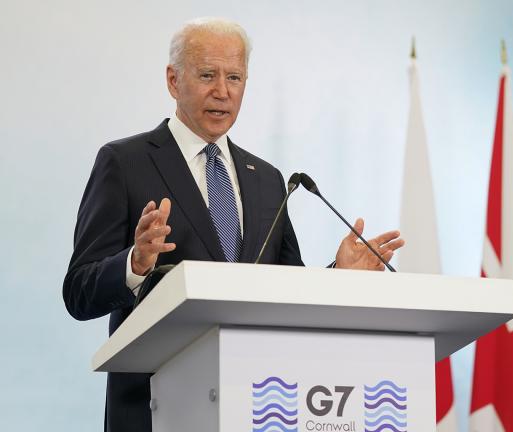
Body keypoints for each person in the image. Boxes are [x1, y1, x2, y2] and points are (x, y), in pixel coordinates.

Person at [62, 17, 404, 432]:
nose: (222, 91)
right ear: (173, 81)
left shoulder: (267, 179)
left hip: (259, 407)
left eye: (235, 77)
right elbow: (79, 291)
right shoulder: (125, 163)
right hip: (156, 409)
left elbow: (287, 291)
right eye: (207, 74)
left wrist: (339, 275)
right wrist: (134, 263)